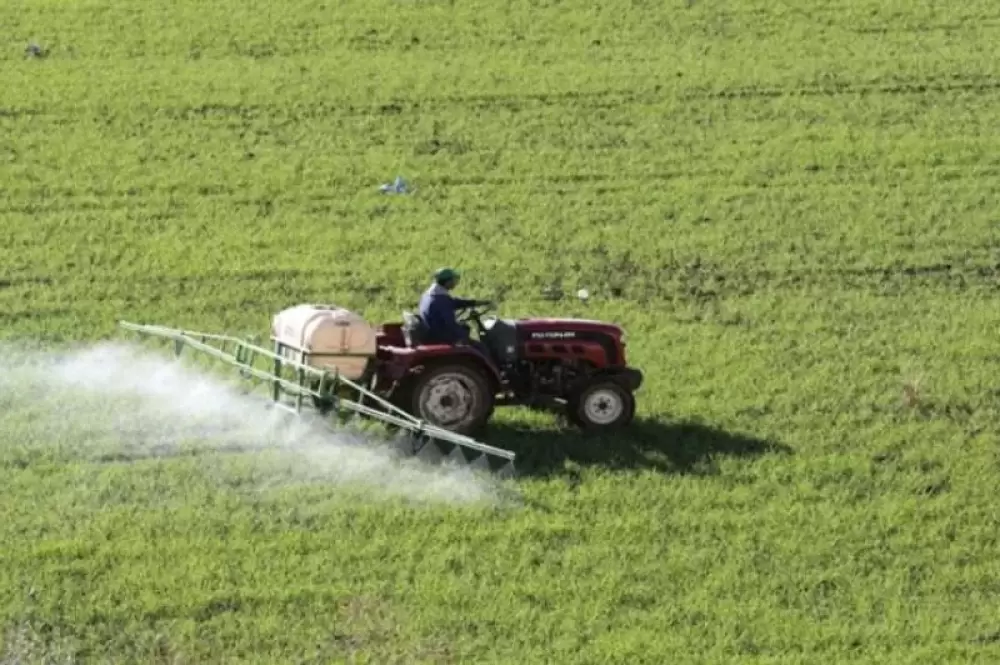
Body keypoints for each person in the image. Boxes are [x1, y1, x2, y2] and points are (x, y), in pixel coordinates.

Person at [418, 267, 491, 356]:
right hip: (440, 336)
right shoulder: (441, 300)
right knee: (480, 348)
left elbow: (454, 303)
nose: (455, 283)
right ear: (447, 282)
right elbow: (450, 324)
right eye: (453, 281)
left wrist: (477, 303)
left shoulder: (430, 295)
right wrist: (463, 334)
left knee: (464, 328)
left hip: (432, 331)